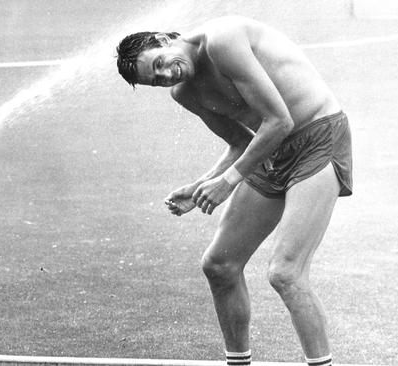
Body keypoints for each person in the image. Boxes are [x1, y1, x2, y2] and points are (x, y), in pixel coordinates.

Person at [116, 16, 352, 366]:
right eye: (156, 81)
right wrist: (202, 184)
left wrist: (227, 182)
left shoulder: (222, 41)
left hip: (317, 138)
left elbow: (279, 121)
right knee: (220, 265)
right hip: (270, 150)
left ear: (165, 39)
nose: (166, 76)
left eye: (160, 64)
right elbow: (241, 142)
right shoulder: (183, 92)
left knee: (285, 273)